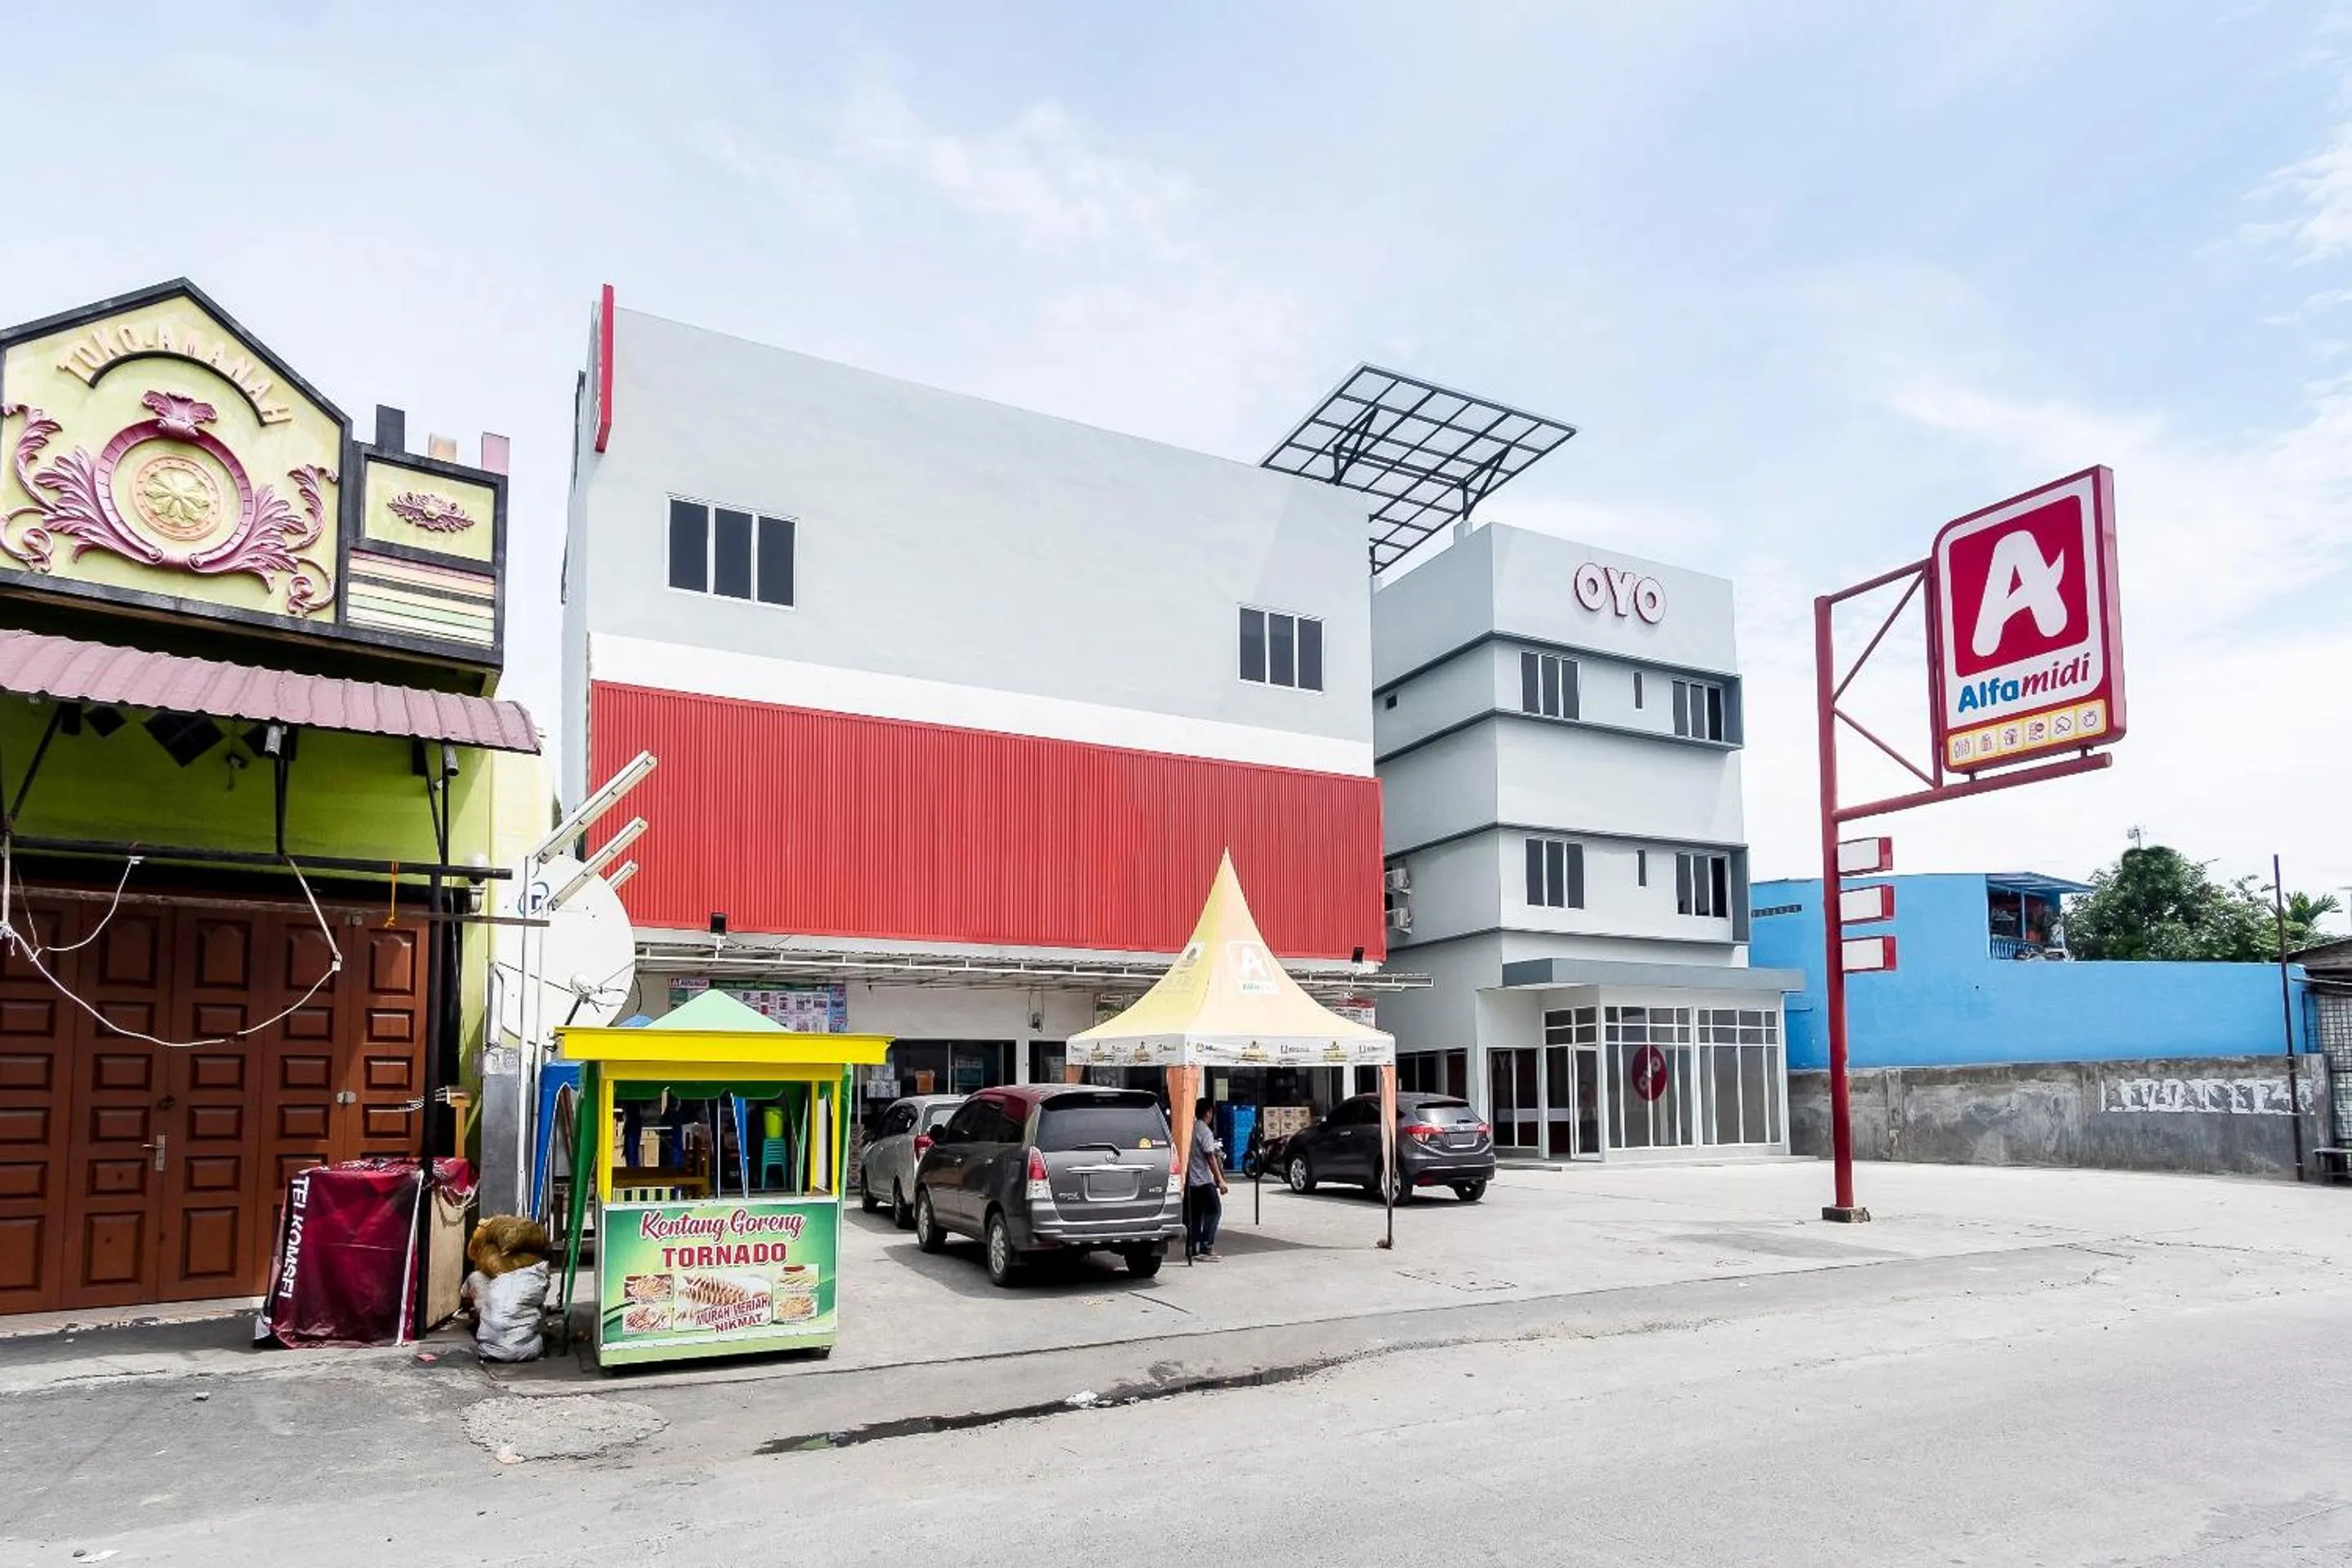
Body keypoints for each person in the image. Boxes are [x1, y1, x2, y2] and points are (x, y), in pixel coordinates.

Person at [1185, 1096, 1229, 1262]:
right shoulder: (1204, 1131)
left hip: (1191, 1182)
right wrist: (1220, 1180)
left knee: (1196, 1215)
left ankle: (1193, 1247)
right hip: (1203, 1181)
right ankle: (1206, 1246)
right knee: (1214, 1210)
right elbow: (1210, 1157)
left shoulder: (1191, 1129)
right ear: (1208, 1113)